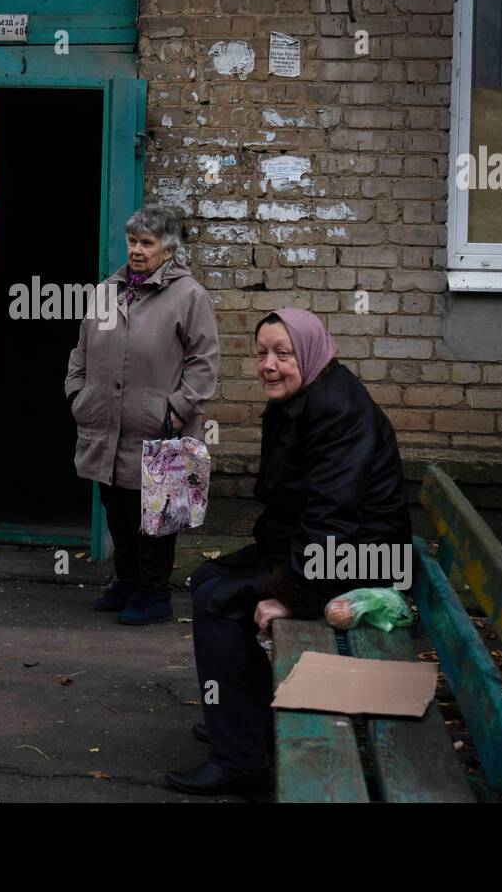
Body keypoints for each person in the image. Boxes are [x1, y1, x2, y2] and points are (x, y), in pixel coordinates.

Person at [165, 308, 412, 795]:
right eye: (261, 354)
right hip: (328, 547)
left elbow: (333, 515)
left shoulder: (337, 410)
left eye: (284, 353)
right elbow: (291, 503)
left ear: (311, 351)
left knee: (220, 603)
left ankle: (241, 758)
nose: (269, 365)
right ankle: (246, 717)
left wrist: (291, 594)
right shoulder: (304, 399)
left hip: (365, 558)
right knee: (209, 580)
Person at [65, 205, 220, 625]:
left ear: (168, 249)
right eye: (132, 241)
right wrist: (77, 392)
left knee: (156, 513)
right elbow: (80, 351)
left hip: (158, 428)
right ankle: (127, 583)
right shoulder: (106, 291)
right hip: (107, 424)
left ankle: (154, 595)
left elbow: (204, 363)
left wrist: (177, 410)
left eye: (146, 243)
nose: (136, 250)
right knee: (116, 506)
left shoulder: (189, 296)